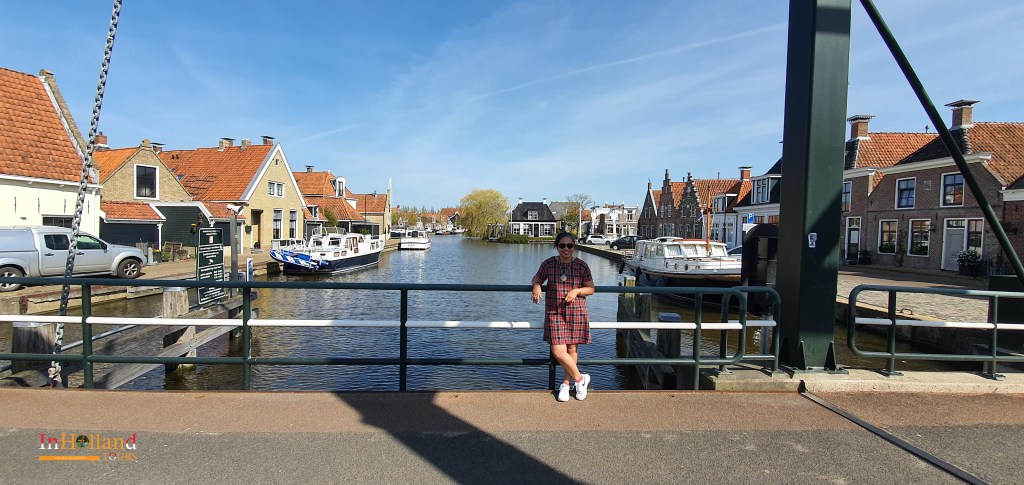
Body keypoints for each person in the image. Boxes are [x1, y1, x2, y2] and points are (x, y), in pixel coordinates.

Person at [531, 232, 596, 402]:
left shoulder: (582, 266)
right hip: (555, 312)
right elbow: (537, 277)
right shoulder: (549, 264)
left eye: (570, 245)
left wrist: (577, 291)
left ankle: (566, 384)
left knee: (572, 349)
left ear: (574, 247)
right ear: (556, 247)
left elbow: (591, 288)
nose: (566, 249)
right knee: (558, 350)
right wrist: (537, 285)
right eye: (562, 245)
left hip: (576, 311)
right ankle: (581, 379)